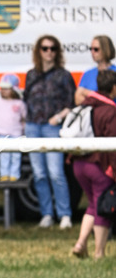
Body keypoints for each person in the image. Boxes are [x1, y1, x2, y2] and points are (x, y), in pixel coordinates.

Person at [23, 35, 75, 229]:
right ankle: (46, 214)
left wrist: (59, 118)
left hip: (53, 126)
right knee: (39, 173)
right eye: (45, 48)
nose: (49, 52)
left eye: (52, 48)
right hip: (32, 126)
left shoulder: (63, 75)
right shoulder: (31, 75)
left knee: (56, 173)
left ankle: (65, 215)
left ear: (57, 51)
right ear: (39, 51)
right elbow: (26, 99)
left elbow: (72, 104)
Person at [70, 69, 116, 259]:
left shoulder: (84, 106)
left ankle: (81, 243)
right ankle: (99, 253)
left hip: (78, 164)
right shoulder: (110, 110)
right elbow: (113, 143)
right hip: (99, 165)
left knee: (93, 204)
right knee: (103, 209)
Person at [0, 73, 26, 181]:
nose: (3, 90)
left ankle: (14, 175)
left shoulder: (20, 103)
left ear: (14, 89)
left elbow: (23, 118)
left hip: (16, 134)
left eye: (6, 88)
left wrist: (23, 131)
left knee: (16, 155)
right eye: (2, 88)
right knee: (4, 155)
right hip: (2, 133)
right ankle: (4, 174)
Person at [74, 35, 116, 105]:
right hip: (93, 115)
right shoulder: (88, 74)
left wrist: (88, 93)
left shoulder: (114, 72)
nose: (92, 52)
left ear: (105, 49)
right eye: (91, 49)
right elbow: (77, 99)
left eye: (96, 49)